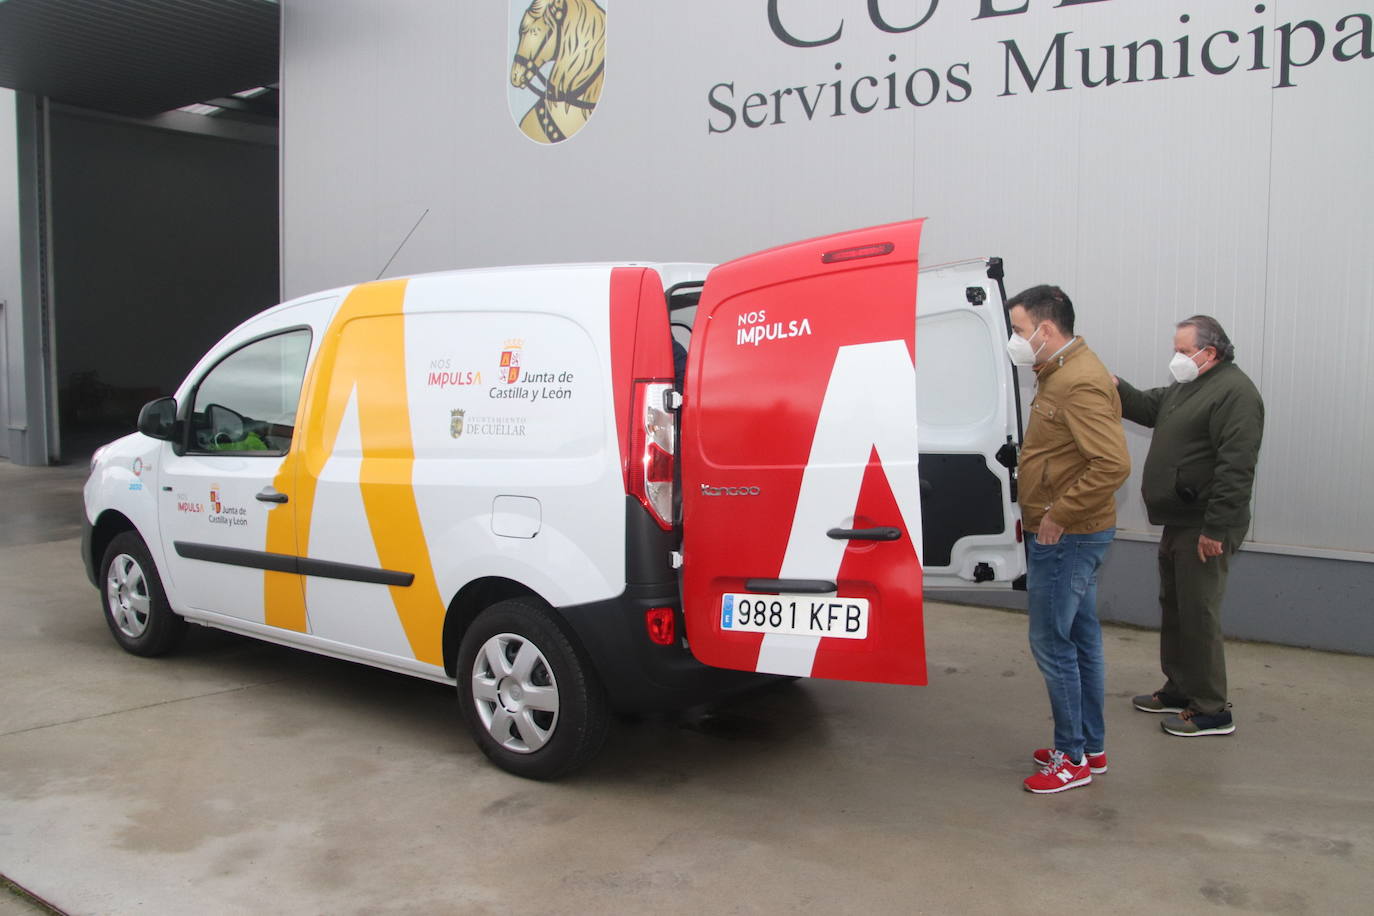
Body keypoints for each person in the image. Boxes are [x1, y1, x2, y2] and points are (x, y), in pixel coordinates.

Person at [1115, 316, 1264, 738]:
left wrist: (1215, 530)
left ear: (1210, 352)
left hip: (1205, 524)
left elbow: (1237, 468)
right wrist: (1113, 384)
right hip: (1181, 520)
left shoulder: (1235, 393)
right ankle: (1181, 687)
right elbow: (1148, 407)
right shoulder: (1189, 386)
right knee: (1177, 606)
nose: (1177, 358)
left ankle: (1212, 708)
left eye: (1183, 350)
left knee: (1198, 613)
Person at [1008, 285, 1131, 794]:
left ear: (1046, 330)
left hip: (1068, 537)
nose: (1014, 340)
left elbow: (1113, 463)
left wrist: (1060, 512)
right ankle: (1089, 747)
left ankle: (1071, 758)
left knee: (1051, 643)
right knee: (1080, 640)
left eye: (1018, 330)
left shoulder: (1076, 383)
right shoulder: (1059, 372)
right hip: (1072, 533)